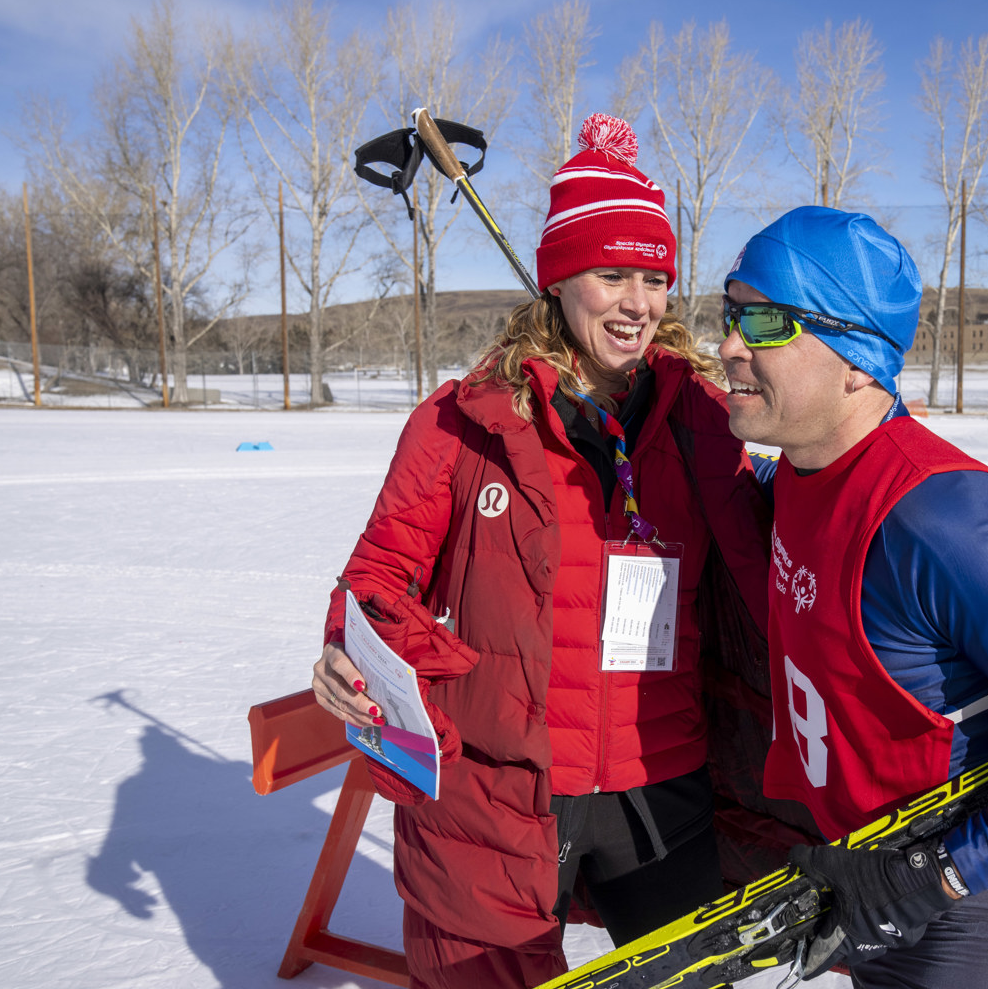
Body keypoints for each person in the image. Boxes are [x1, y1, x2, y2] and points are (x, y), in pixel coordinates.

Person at [310, 114, 772, 989]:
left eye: (654, 278)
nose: (638, 303)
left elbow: (765, 567)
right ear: (558, 279)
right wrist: (347, 641)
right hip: (499, 789)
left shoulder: (705, 423)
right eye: (611, 275)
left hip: (660, 781)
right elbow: (376, 576)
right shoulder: (462, 422)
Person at [720, 206, 988, 988]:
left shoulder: (944, 517)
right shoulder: (796, 471)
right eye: (730, 313)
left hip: (973, 909)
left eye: (763, 321)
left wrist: (942, 873)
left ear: (855, 355)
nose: (729, 345)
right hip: (869, 882)